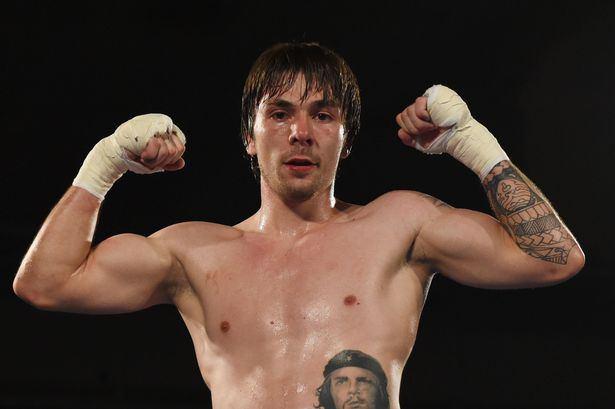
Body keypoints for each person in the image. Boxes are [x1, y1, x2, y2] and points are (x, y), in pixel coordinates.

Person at [13, 42, 585, 409]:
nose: (301, 133)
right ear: (250, 136)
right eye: (280, 113)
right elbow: (46, 284)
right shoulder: (195, 253)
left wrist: (471, 143)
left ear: (345, 138)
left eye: (323, 115)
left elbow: (554, 257)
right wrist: (105, 162)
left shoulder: (400, 225)